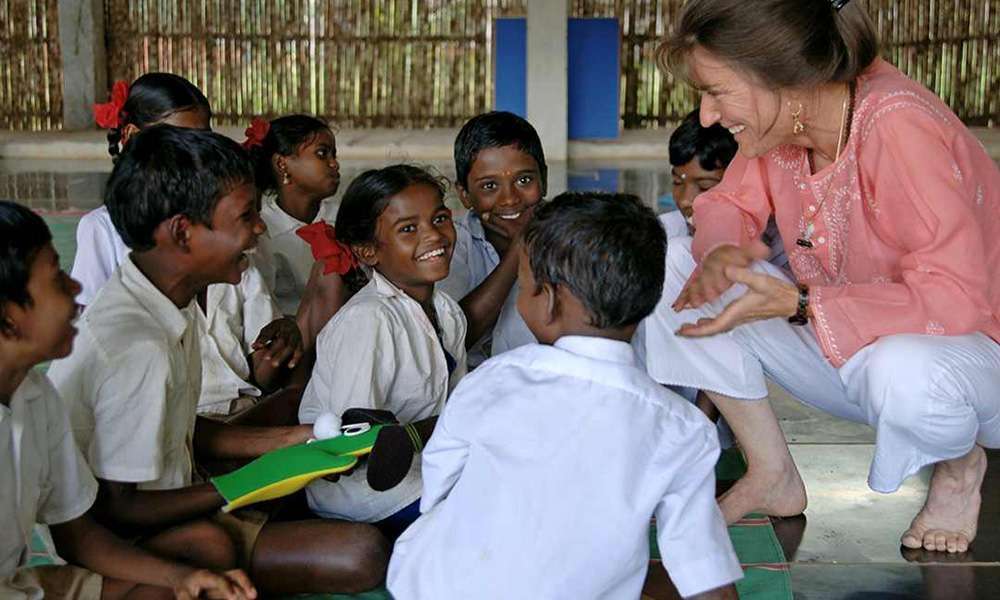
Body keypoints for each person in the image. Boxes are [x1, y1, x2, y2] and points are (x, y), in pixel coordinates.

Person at [644, 0, 1000, 553]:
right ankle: (772, 474)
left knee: (903, 369)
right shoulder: (785, 123)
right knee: (674, 262)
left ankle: (960, 465)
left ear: (785, 78)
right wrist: (718, 254)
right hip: (857, 355)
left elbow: (954, 300)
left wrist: (802, 303)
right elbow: (728, 205)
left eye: (719, 92)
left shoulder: (898, 125)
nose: (709, 116)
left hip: (967, 367)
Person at [47, 126, 389, 595]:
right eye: (245, 216)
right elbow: (117, 508)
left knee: (312, 481)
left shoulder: (168, 303)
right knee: (358, 553)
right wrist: (251, 482)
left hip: (172, 497)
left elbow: (181, 427)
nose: (259, 228)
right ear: (183, 232)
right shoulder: (138, 345)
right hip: (129, 535)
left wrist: (298, 441)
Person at [387, 192, 741, 600]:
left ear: (549, 299)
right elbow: (705, 574)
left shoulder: (494, 379)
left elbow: (439, 483)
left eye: (523, 284)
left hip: (440, 585)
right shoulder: (683, 428)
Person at [0, 200, 256, 600]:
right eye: (56, 280)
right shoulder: (136, 347)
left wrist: (179, 578)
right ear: (8, 316)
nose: (76, 289)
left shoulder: (35, 395)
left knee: (190, 583)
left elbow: (77, 536)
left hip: (18, 584)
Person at [77, 73, 301, 418]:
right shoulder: (107, 238)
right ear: (134, 137)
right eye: (180, 139)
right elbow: (90, 334)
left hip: (230, 409)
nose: (196, 153)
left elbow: (259, 357)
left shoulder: (227, 252)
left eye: (203, 138)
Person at [299, 165, 467, 540]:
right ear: (368, 251)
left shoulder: (449, 313)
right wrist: (425, 433)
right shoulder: (369, 320)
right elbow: (350, 443)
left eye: (439, 218)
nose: (434, 235)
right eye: (409, 229)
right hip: (363, 495)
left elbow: (457, 409)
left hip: (425, 468)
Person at [437, 111, 544, 367]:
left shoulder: (571, 235)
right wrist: (519, 248)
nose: (509, 199)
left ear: (545, 179)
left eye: (524, 180)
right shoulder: (450, 244)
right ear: (464, 194)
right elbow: (454, 339)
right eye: (489, 186)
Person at [248, 114, 342, 317]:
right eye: (322, 153)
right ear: (282, 164)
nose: (334, 164)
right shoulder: (262, 231)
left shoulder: (343, 219)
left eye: (333, 154)